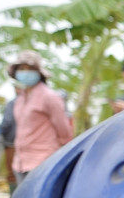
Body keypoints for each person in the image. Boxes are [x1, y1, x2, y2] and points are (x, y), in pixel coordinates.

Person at [7, 50, 74, 187]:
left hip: (43, 159)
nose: (25, 72)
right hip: (21, 162)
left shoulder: (49, 97)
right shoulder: (19, 100)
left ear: (38, 72)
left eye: (30, 69)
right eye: (22, 69)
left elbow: (63, 129)